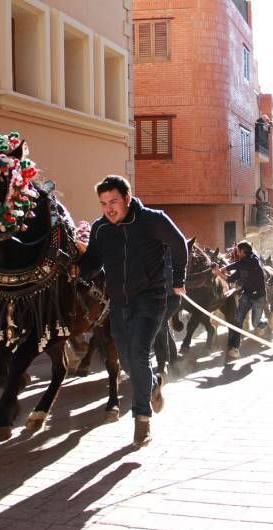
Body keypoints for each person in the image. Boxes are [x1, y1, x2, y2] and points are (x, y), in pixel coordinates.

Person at [71, 175, 187, 448]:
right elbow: (93, 262)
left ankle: (142, 420)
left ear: (127, 197)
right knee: (125, 360)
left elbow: (179, 244)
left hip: (151, 298)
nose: (108, 208)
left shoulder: (152, 219)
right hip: (119, 303)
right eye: (103, 203)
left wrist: (179, 279)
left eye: (113, 201)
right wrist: (79, 269)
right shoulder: (101, 229)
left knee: (137, 353)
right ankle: (154, 381)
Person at [212, 240, 268, 360]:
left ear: (243, 251)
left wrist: (225, 267)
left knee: (255, 323)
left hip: (259, 296)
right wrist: (218, 272)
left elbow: (240, 264)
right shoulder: (242, 264)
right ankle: (234, 348)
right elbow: (230, 279)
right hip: (246, 295)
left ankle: (263, 323)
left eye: (238, 250)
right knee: (238, 321)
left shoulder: (254, 260)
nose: (236, 252)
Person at [153, 249, 181, 379]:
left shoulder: (169, 253)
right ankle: (173, 359)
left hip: (171, 299)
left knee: (159, 324)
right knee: (162, 325)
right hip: (157, 299)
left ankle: (162, 363)